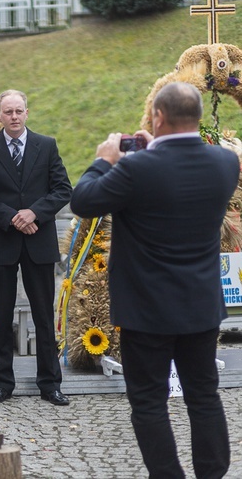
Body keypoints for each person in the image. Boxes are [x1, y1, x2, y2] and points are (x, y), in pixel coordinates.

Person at [69, 82, 235, 478]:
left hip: (147, 310)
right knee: (204, 397)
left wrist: (104, 160)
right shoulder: (225, 164)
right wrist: (155, 147)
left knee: (148, 401)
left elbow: (84, 201)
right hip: (200, 306)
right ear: (195, 116)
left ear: (158, 117)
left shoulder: (134, 168)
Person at [0, 89, 72, 406]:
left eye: (19, 111)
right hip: (3, 242)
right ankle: (2, 382)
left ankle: (50, 383)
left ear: (27, 113)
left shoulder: (46, 145)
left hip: (39, 242)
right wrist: (12, 217)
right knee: (2, 315)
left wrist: (35, 213)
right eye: (8, 112)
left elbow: (62, 189)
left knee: (43, 315)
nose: (14, 117)